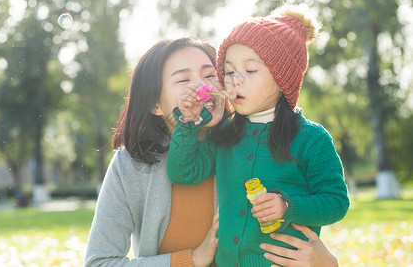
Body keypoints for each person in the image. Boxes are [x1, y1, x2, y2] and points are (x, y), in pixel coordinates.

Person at [84, 37, 341, 267]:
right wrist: (192, 259)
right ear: (154, 104)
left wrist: (327, 265)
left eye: (210, 75)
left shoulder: (252, 141)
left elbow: (321, 204)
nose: (203, 88)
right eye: (184, 80)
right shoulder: (130, 166)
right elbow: (100, 263)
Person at [166, 5, 350, 267]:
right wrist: (188, 122)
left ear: (283, 79)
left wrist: (288, 206)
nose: (235, 81)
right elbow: (182, 172)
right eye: (228, 72)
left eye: (250, 70)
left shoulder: (312, 139)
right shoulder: (225, 134)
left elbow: (336, 202)